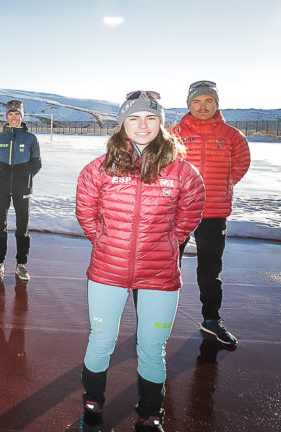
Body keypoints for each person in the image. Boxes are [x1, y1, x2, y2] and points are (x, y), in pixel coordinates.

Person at [75, 91, 205, 432]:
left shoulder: (182, 171)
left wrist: (166, 244)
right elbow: (86, 214)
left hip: (159, 274)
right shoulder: (98, 168)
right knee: (101, 339)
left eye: (150, 117)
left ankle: (150, 416)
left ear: (162, 124)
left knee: (151, 346)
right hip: (108, 270)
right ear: (122, 124)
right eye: (134, 118)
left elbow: (189, 214)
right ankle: (92, 408)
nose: (142, 125)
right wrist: (107, 242)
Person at [170, 80, 251, 347]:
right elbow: (165, 167)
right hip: (179, 210)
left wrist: (221, 186)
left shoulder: (232, 135)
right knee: (170, 266)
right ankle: (161, 318)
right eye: (197, 101)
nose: (202, 106)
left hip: (215, 212)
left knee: (210, 269)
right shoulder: (175, 133)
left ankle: (212, 320)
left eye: (208, 102)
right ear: (189, 104)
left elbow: (240, 165)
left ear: (216, 104)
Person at [0, 100, 41, 281]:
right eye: (10, 114)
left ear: (22, 116)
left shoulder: (30, 139)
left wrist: (24, 177)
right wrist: (1, 176)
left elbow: (36, 164)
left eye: (17, 114)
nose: (14, 117)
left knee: (22, 227)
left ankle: (21, 264)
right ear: (6, 116)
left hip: (22, 188)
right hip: (1, 187)